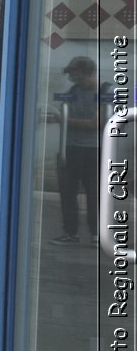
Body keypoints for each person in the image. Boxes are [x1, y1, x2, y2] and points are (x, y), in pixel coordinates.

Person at [55, 55, 105, 245]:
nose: (73, 79)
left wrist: (66, 120)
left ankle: (97, 234)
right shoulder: (73, 91)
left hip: (95, 150)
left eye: (76, 74)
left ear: (88, 72)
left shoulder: (106, 91)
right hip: (71, 148)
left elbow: (96, 123)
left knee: (94, 193)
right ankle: (70, 233)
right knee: (68, 193)